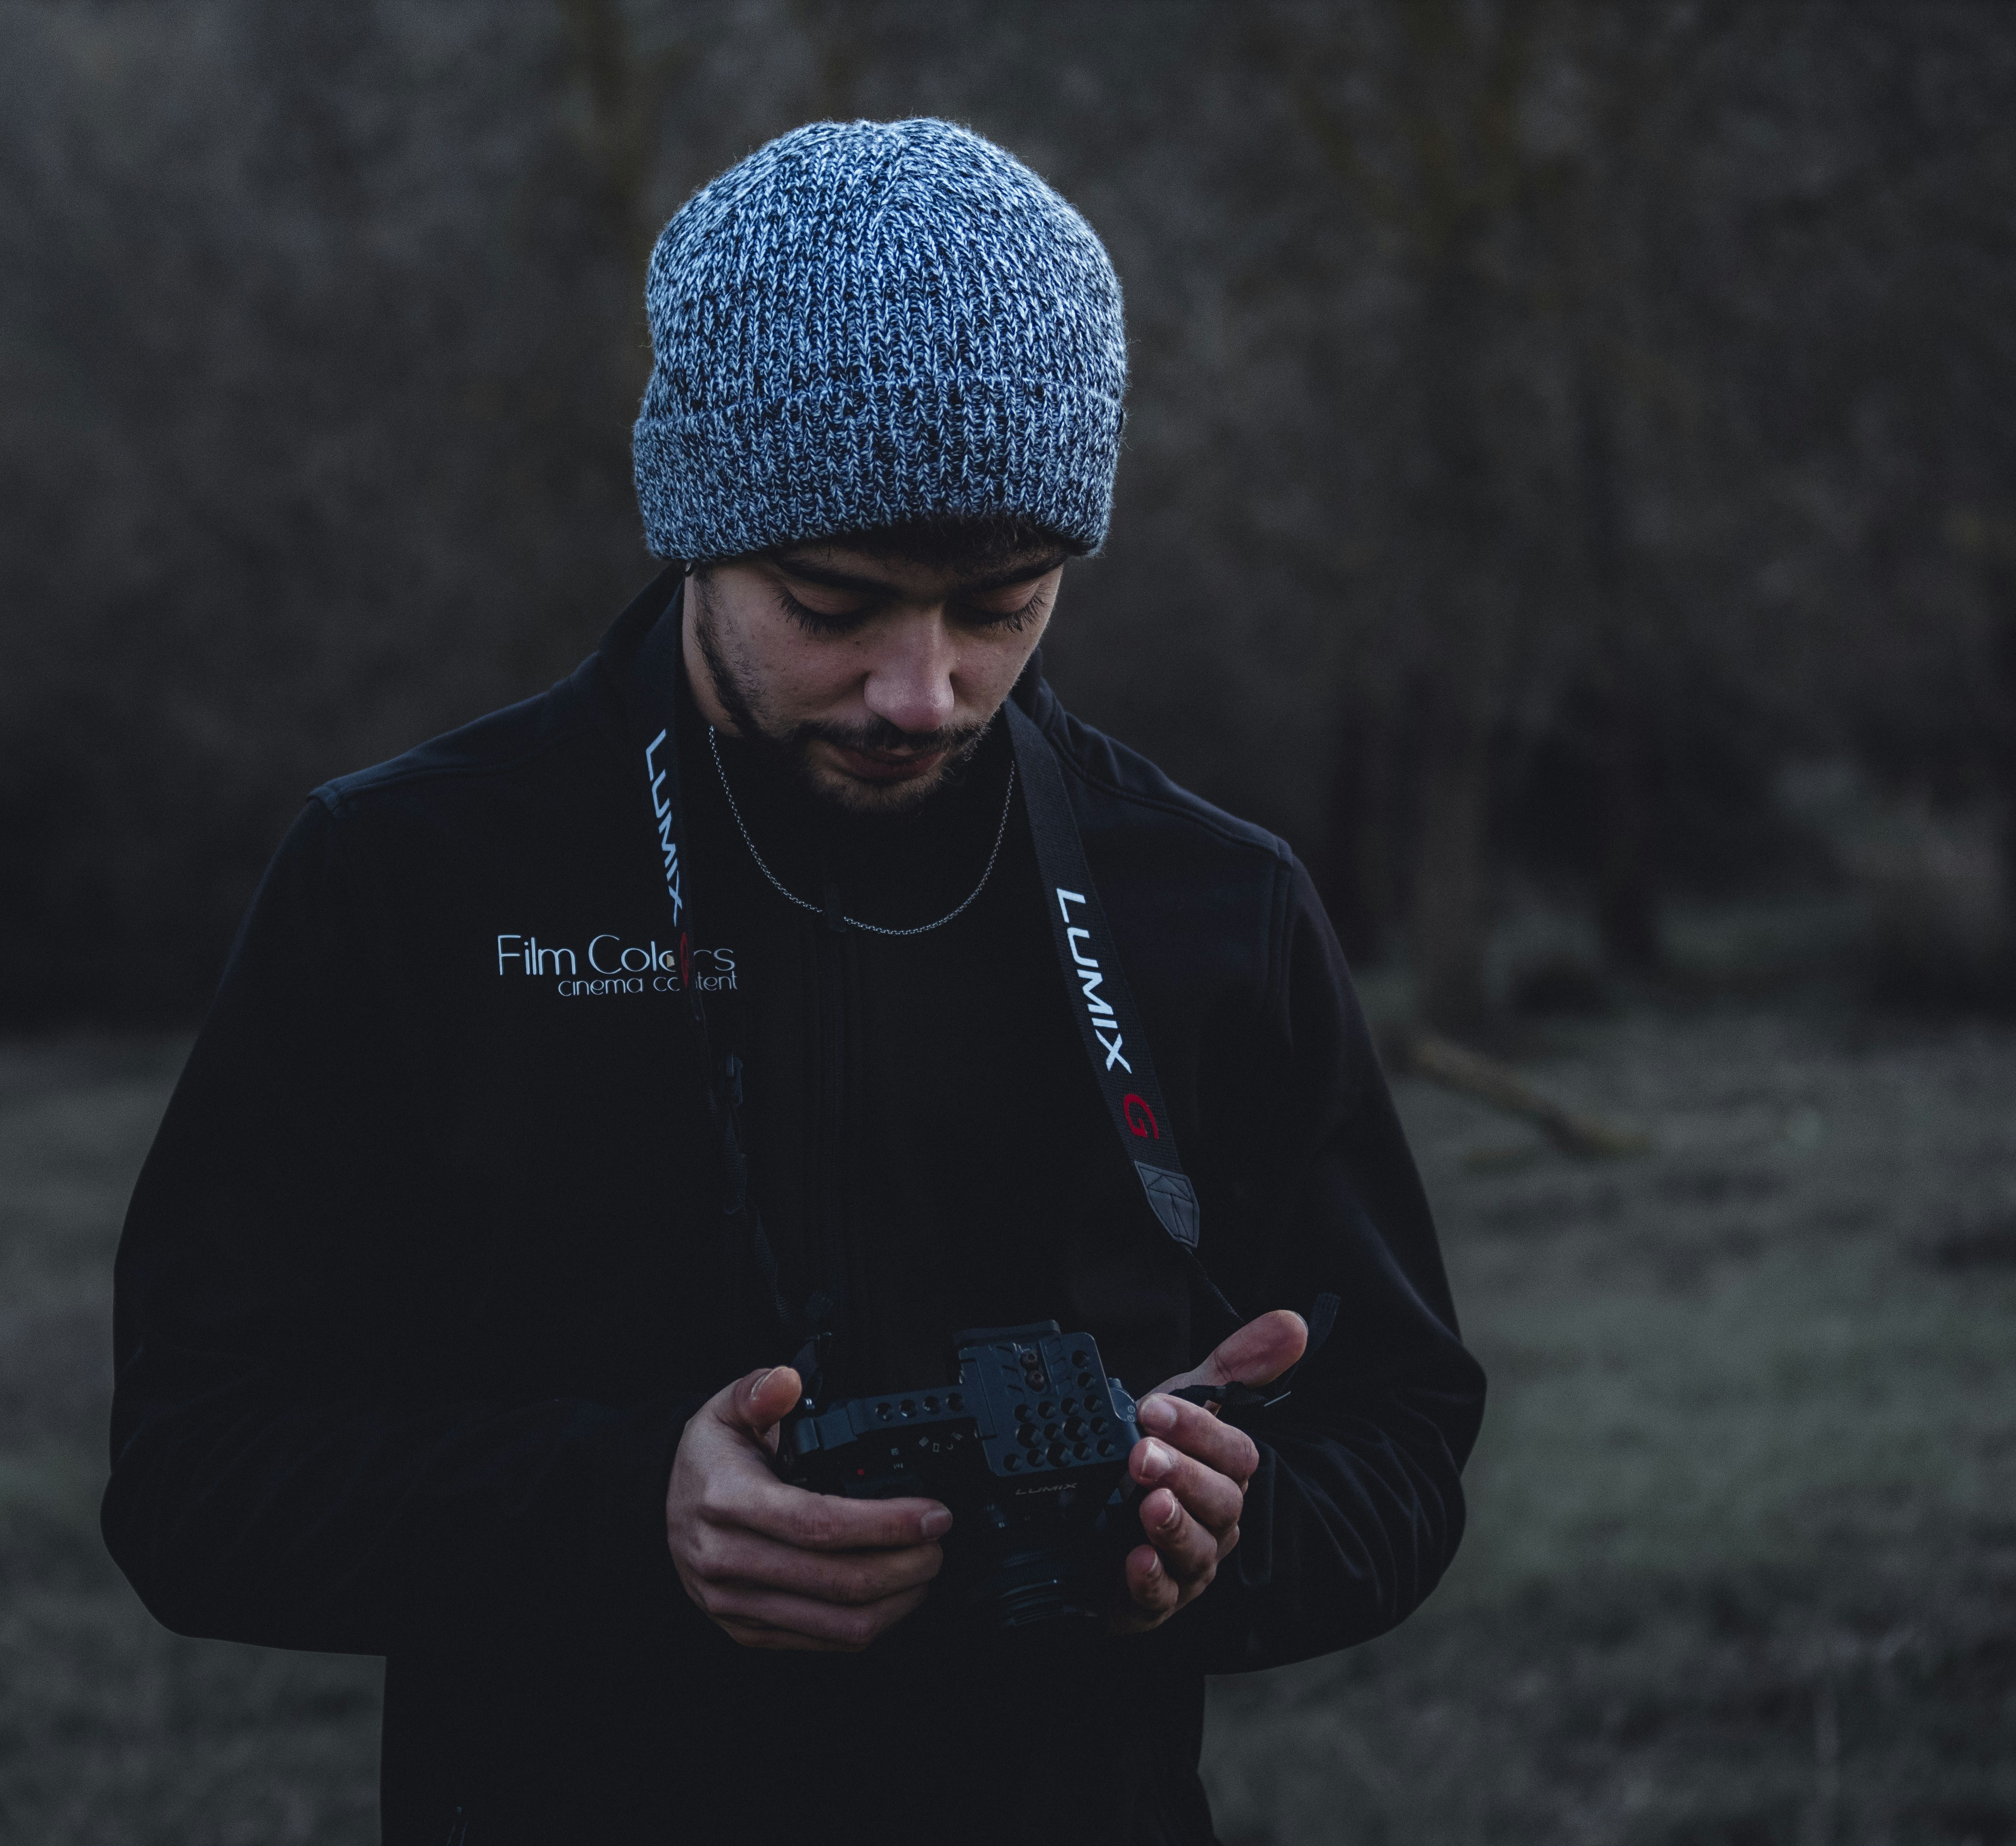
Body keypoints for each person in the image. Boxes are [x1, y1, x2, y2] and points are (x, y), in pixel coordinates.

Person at [102, 118, 1484, 1845]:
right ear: (698, 527)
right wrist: (631, 1513)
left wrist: (1222, 1534)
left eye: (1003, 603)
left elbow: (1403, 1439)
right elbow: (193, 1474)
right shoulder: (414, 877)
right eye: (836, 602)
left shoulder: (1209, 897)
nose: (925, 689)